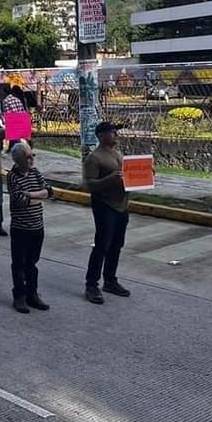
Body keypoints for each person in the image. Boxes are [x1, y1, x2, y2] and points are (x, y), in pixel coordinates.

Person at [83, 122, 132, 305]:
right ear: (101, 135)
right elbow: (89, 184)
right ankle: (91, 284)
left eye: (115, 131)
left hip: (122, 206)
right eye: (112, 132)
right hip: (105, 206)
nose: (116, 134)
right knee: (102, 245)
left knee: (116, 245)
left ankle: (110, 280)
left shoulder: (117, 154)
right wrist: (109, 179)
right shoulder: (94, 158)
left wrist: (144, 174)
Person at [6, 142, 51, 313]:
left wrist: (32, 194)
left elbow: (49, 192)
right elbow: (20, 201)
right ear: (18, 160)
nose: (32, 159)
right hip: (21, 228)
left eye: (33, 155)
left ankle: (33, 294)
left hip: (37, 227)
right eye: (28, 157)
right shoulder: (13, 176)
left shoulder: (35, 172)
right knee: (19, 264)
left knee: (32, 263)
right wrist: (40, 196)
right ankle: (19, 296)